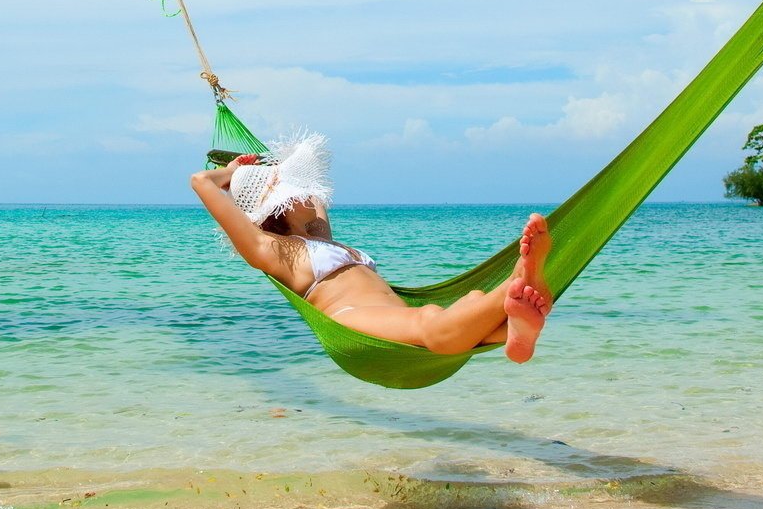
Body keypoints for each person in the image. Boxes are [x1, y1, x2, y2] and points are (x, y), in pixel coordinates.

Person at [189, 133, 552, 361]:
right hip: (350, 320)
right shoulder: (272, 250)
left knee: (472, 300)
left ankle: (518, 329)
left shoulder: (320, 236)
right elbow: (200, 181)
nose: (302, 191)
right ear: (276, 203)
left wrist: (270, 168)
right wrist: (235, 172)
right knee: (430, 323)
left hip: (392, 314)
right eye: (289, 186)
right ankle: (518, 281)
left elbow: (315, 186)